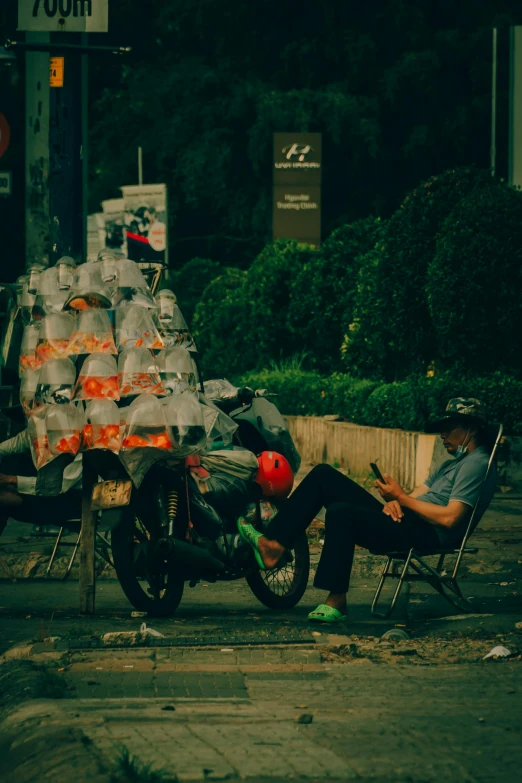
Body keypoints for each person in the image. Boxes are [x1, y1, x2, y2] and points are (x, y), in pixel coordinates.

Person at [237, 398, 497, 624]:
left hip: (426, 533)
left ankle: (336, 600)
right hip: (405, 521)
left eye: (449, 428)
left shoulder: (477, 464)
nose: (442, 435)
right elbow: (415, 496)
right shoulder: (451, 464)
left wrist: (402, 500)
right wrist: (395, 500)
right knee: (323, 475)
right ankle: (273, 544)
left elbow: (451, 518)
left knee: (341, 513)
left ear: (471, 429)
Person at [0, 428, 82, 537]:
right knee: (11, 460)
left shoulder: (76, 437)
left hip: (71, 501)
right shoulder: (36, 429)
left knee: (4, 501)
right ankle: (11, 496)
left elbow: (59, 486)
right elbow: (4, 448)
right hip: (41, 494)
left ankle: (14, 498)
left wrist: (12, 480)